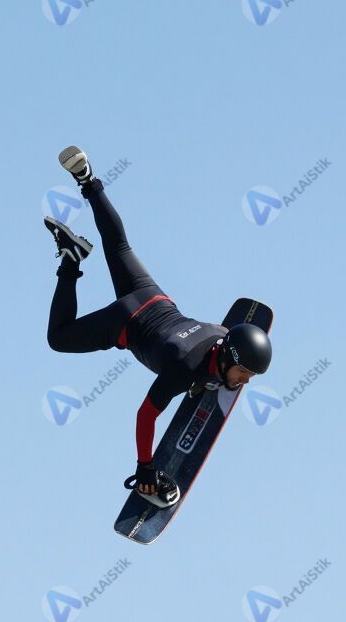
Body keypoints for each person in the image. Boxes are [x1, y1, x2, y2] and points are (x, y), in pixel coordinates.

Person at [45, 146, 272, 508]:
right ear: (228, 357)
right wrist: (145, 467)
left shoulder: (220, 333)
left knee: (119, 245)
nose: (245, 382)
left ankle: (88, 180)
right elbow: (145, 415)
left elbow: (217, 353)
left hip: (153, 297)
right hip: (125, 320)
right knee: (58, 338)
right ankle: (71, 262)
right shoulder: (182, 369)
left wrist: (209, 378)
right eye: (244, 373)